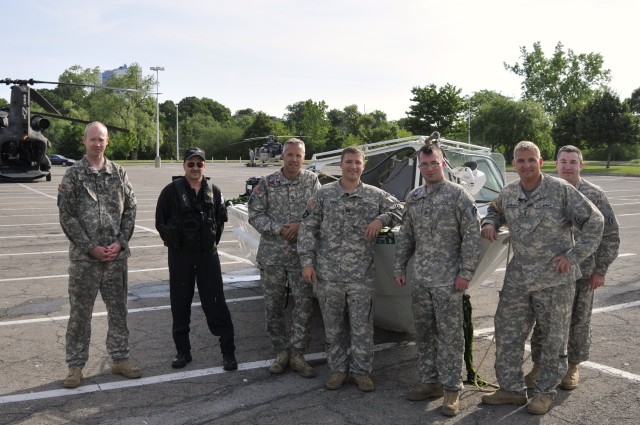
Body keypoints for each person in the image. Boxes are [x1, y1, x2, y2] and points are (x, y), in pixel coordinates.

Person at [480, 141, 603, 415]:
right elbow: (495, 210)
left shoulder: (560, 190)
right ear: (514, 164)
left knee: (553, 338)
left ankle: (544, 392)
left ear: (541, 161)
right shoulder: (509, 192)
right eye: (520, 161)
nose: (526, 165)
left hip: (554, 279)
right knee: (508, 331)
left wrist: (573, 256)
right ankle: (511, 389)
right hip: (519, 278)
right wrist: (490, 222)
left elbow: (595, 221)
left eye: (531, 160)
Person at [298, 146, 403, 392]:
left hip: (360, 277)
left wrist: (381, 219)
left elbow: (399, 208)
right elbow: (307, 229)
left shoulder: (375, 195)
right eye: (348, 162)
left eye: (357, 162)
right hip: (328, 275)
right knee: (332, 327)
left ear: (363, 166)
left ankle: (361, 372)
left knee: (362, 328)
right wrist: (307, 263)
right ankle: (337, 370)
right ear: (341, 165)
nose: (353, 167)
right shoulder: (323, 195)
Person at [393, 143, 481, 417]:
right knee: (424, 333)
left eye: (434, 163)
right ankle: (430, 382)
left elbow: (471, 237)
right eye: (425, 164)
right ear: (420, 166)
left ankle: (452, 390)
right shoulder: (415, 197)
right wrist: (399, 267)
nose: (430, 168)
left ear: (443, 164)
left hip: (448, 281)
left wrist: (465, 274)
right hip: (422, 280)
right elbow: (406, 234)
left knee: (450, 336)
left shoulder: (459, 196)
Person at [526, 145, 620, 390]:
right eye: (563, 162)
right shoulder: (547, 190)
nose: (568, 166)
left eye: (573, 162)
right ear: (555, 164)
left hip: (584, 271)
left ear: (581, 165)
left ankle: (573, 366)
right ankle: (538, 365)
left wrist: (601, 270)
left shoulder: (595, 194)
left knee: (578, 320)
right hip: (552, 273)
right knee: (544, 321)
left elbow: (610, 234)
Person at [58, 121, 141, 388]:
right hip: (85, 260)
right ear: (84, 141)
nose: (97, 143)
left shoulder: (119, 173)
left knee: (118, 311)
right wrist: (89, 246)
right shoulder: (72, 175)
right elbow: (67, 216)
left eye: (101, 139)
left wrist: (120, 242)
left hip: (115, 258)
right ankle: (75, 366)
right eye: (93, 139)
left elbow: (130, 210)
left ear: (107, 142)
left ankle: (119, 359)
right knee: (80, 314)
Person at [155, 147, 237, 371]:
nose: (195, 168)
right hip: (180, 256)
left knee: (216, 302)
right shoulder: (170, 191)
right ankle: (183, 352)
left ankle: (228, 352)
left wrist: (208, 244)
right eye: (191, 164)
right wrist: (176, 241)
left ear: (204, 166)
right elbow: (160, 222)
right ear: (184, 166)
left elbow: (219, 222)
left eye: (199, 164)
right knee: (180, 304)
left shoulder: (215, 191)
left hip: (207, 255)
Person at [248, 139, 321, 378]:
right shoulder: (267, 183)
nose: (294, 160)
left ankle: (298, 353)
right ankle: (281, 351)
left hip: (303, 256)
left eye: (298, 156)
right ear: (282, 156)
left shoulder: (312, 181)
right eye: (289, 155)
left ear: (304, 157)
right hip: (273, 257)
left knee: (304, 306)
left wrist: (301, 226)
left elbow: (320, 212)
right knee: (273, 305)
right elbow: (255, 215)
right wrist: (280, 229)